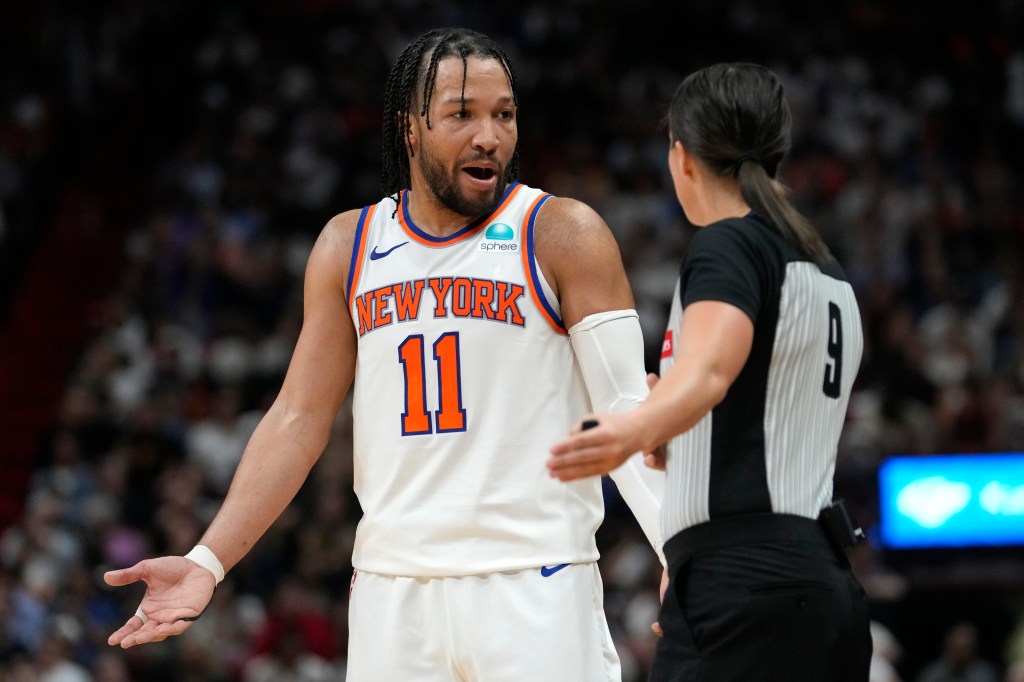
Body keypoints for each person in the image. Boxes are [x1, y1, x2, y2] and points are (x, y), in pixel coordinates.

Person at [103, 27, 666, 681]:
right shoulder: (350, 244)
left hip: (535, 580)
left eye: (504, 115)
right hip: (392, 592)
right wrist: (208, 560)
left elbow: (627, 407)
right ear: (410, 128)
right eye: (462, 114)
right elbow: (297, 419)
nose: (490, 135)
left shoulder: (562, 233)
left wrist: (683, 552)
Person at [548, 62, 873, 681]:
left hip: (746, 587)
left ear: (684, 158)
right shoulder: (827, 272)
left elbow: (712, 372)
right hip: (819, 583)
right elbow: (761, 413)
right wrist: (678, 436)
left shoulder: (729, 245)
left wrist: (633, 428)